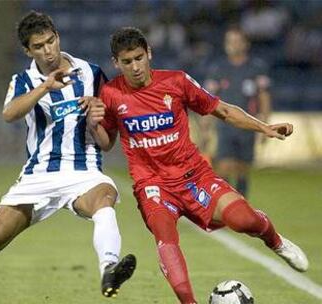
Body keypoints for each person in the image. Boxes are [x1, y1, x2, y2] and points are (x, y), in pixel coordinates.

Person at [0, 11, 136, 304]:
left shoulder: (91, 73)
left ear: (58, 36)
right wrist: (45, 86)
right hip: (38, 176)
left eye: (51, 41)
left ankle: (109, 269)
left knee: (104, 199)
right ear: (28, 50)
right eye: (39, 46)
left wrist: (95, 118)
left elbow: (106, 142)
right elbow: (9, 114)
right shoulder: (24, 80)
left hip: (83, 170)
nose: (48, 49)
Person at [85, 27, 308, 304]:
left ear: (149, 54)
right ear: (116, 63)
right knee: (165, 237)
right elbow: (106, 143)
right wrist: (93, 125)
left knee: (243, 220)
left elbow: (223, 110)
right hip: (152, 185)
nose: (135, 67)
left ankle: (275, 241)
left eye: (139, 58)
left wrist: (264, 127)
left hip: (194, 176)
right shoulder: (111, 93)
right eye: (127, 62)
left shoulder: (176, 82)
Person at [203, 26, 272, 197]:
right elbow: (207, 98)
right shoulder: (218, 68)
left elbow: (264, 96)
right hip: (224, 125)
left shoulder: (256, 68)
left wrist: (265, 125)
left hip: (248, 125)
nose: (232, 45)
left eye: (236, 41)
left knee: (243, 169)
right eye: (229, 41)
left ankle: (241, 206)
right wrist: (206, 125)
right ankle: (226, 205)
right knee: (224, 166)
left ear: (245, 44)